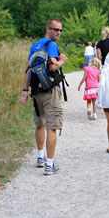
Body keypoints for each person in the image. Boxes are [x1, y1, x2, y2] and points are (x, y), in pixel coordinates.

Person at [20, 19, 67, 175]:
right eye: (56, 29)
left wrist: (25, 89)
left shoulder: (35, 45)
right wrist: (62, 61)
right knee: (52, 127)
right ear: (48, 29)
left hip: (36, 90)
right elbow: (53, 65)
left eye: (60, 30)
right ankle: (49, 164)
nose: (58, 32)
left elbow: (28, 69)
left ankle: (40, 157)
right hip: (50, 90)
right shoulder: (51, 45)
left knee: (40, 123)